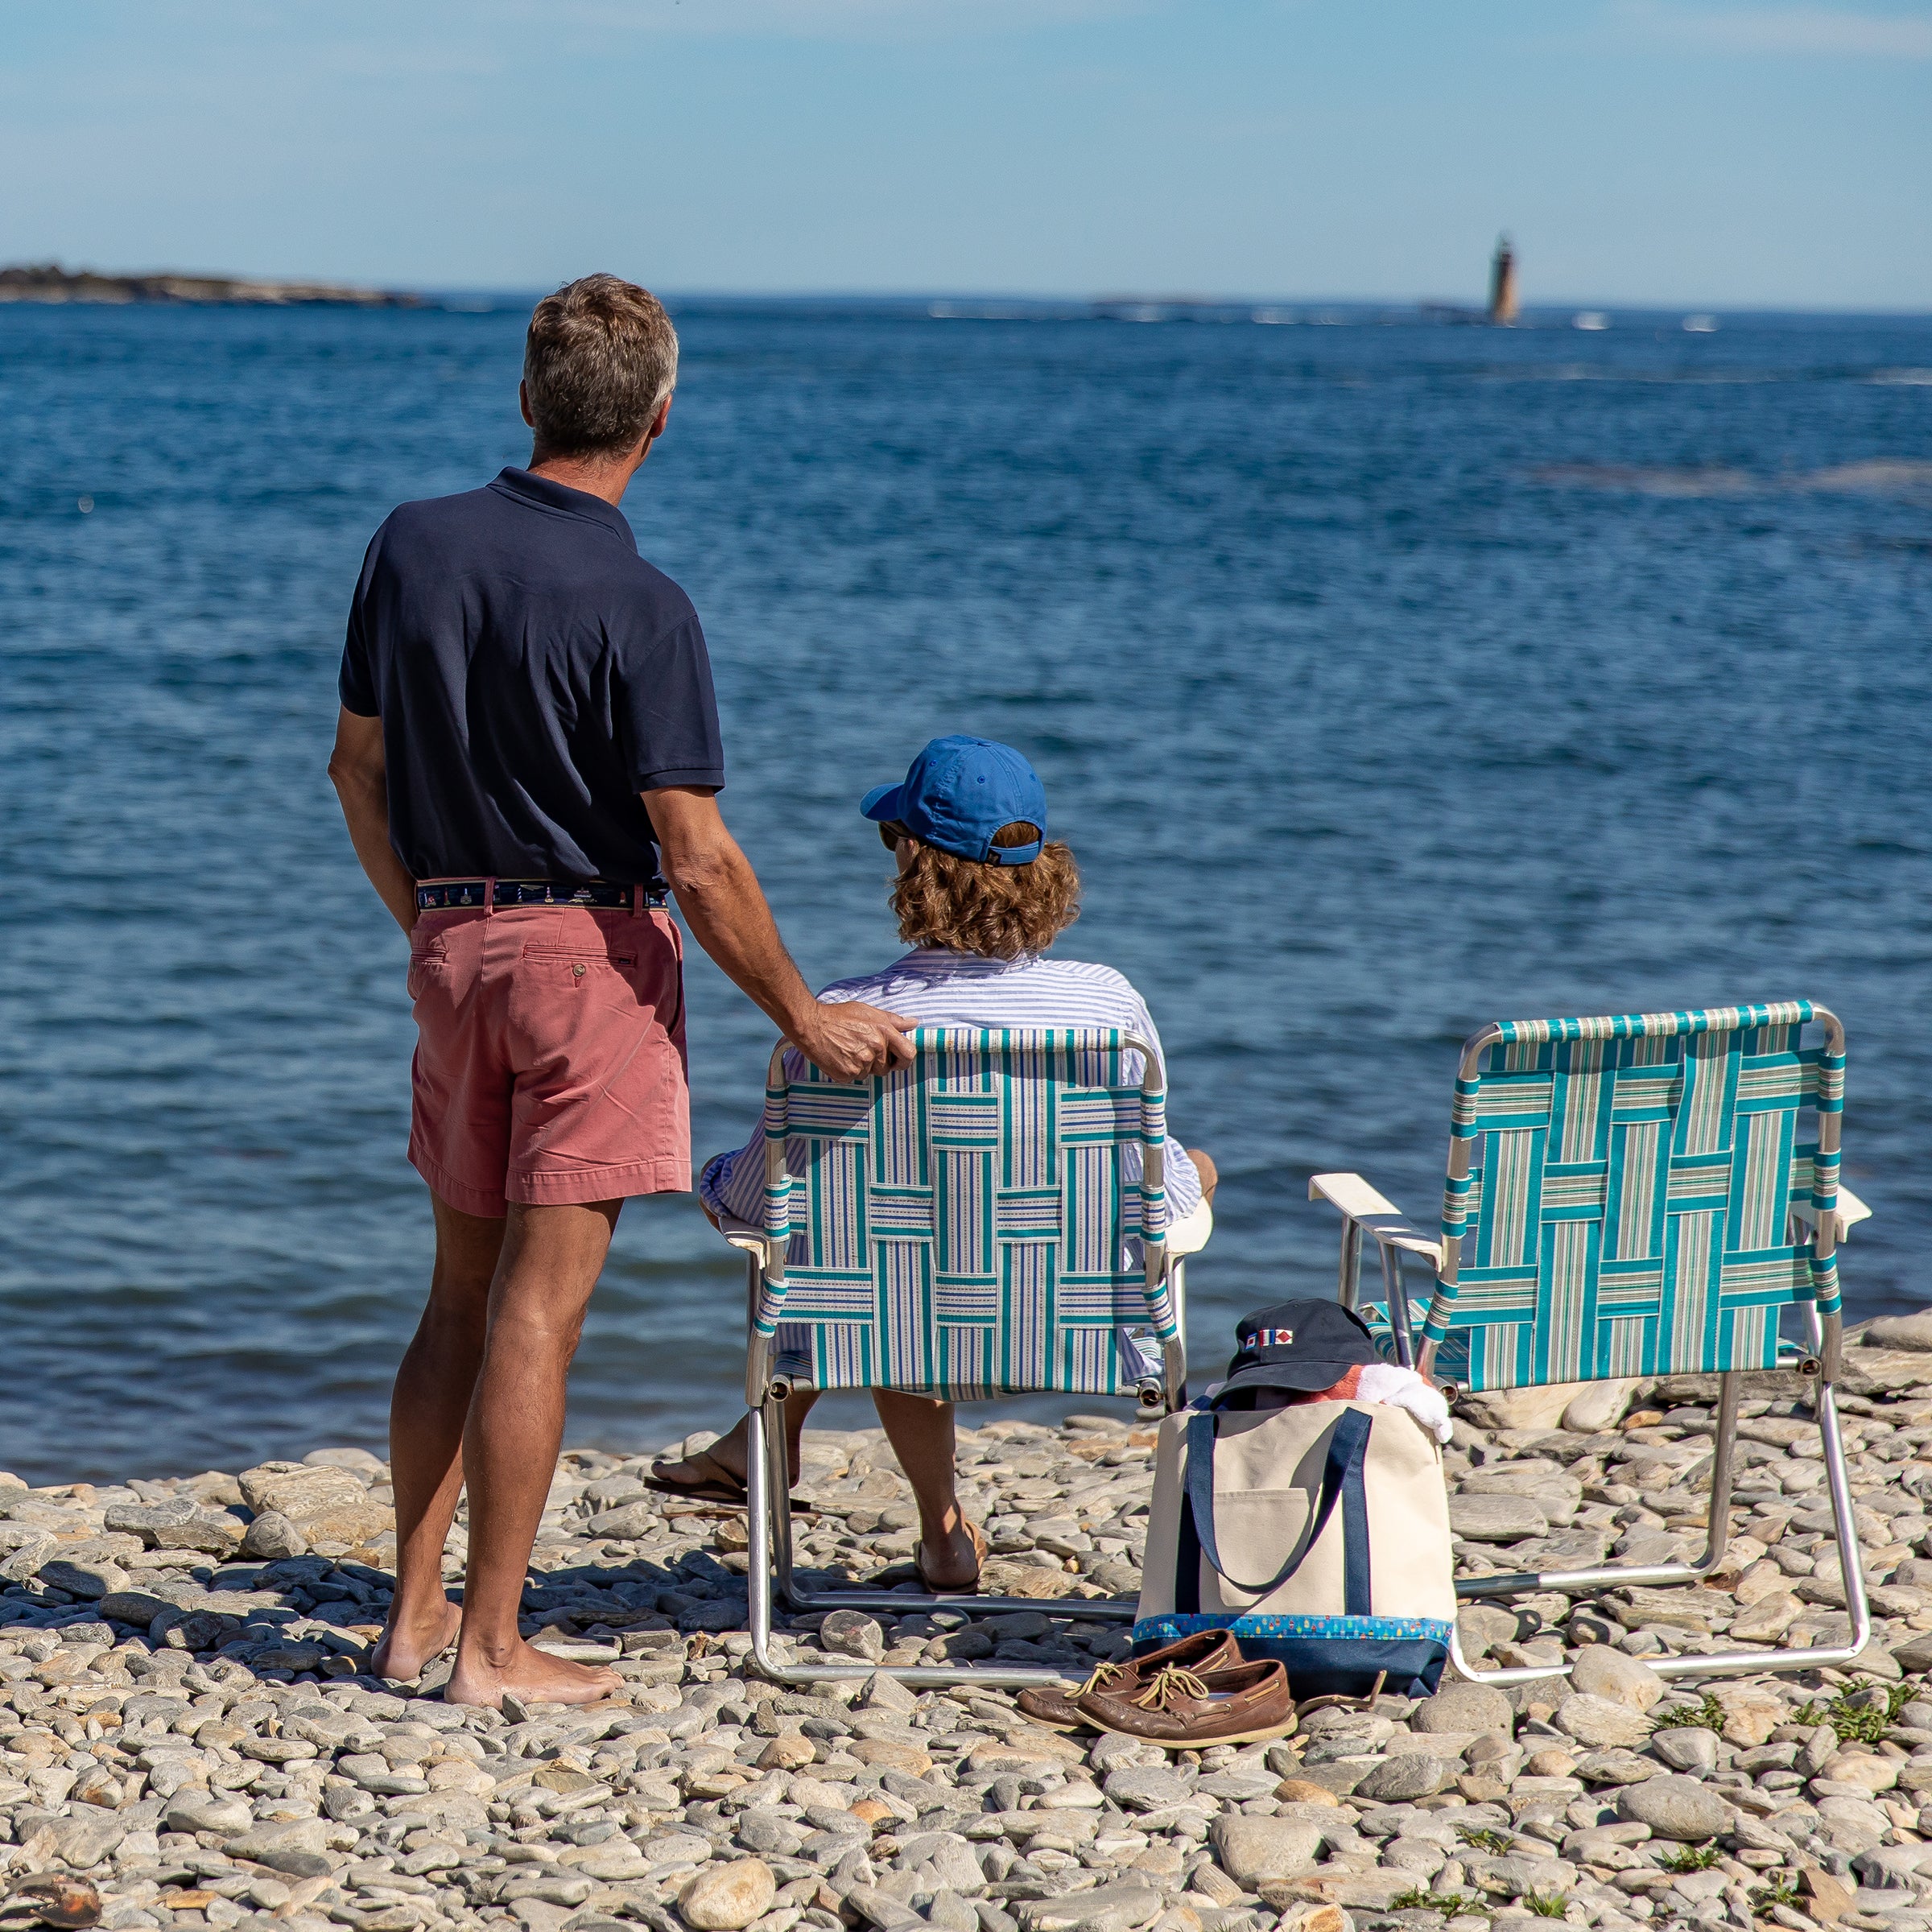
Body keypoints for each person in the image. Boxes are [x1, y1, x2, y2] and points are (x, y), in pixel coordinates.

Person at [327, 275, 913, 1708]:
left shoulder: (410, 544)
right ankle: (493, 1650)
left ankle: (410, 1624)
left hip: (452, 948)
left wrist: (431, 928)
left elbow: (357, 768)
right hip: (584, 961)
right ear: (659, 418)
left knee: (455, 1297)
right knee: (539, 1312)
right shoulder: (643, 604)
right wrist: (802, 1013)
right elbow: (697, 860)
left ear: (528, 401)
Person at [651, 735, 1216, 1591]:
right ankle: (943, 1538)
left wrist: (712, 1182)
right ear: (1043, 870)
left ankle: (872, 1497)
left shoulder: (850, 1021)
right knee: (1165, 1176)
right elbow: (1162, 1206)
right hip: (1070, 1332)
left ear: (911, 861)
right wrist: (1201, 1174)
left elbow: (758, 1207)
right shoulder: (1107, 1010)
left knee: (888, 1244)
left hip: (898, 1324)